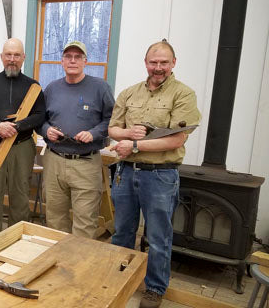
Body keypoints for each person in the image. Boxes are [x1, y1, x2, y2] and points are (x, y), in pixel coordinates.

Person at [108, 40, 201, 308]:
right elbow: (113, 129)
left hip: (160, 176)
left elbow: (176, 140)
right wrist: (128, 133)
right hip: (125, 173)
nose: (158, 68)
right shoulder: (129, 93)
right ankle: (120, 278)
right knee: (122, 232)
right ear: (146, 63)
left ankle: (154, 289)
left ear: (173, 63)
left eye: (163, 62)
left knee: (159, 237)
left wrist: (135, 145)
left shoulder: (183, 94)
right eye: (153, 62)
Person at [39, 41, 114, 238]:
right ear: (62, 61)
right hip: (54, 159)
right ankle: (57, 264)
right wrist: (47, 130)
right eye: (68, 57)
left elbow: (112, 121)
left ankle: (78, 267)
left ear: (85, 61)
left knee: (84, 222)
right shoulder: (52, 89)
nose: (73, 60)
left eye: (77, 57)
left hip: (86, 163)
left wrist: (95, 133)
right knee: (55, 219)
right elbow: (40, 120)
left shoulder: (100, 88)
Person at [0, 38, 46, 241]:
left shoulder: (33, 86)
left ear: (23, 58)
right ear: (1, 57)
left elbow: (40, 115)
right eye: (8, 55)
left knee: (20, 196)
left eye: (16, 55)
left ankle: (17, 240)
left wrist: (17, 127)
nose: (12, 59)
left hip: (21, 148)